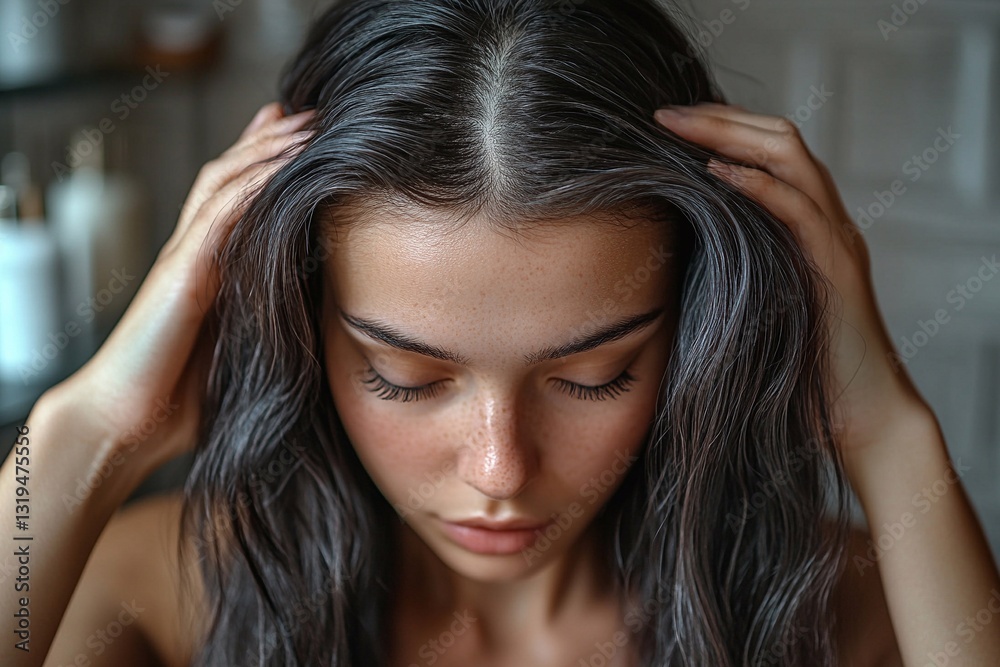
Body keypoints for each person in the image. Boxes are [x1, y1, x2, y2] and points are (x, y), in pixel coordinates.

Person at [5, 0, 999, 665]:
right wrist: (90, 428)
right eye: (401, 375)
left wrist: (885, 429)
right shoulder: (170, 582)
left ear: (692, 333)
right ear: (304, 329)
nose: (499, 467)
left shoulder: (832, 602)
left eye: (594, 375)